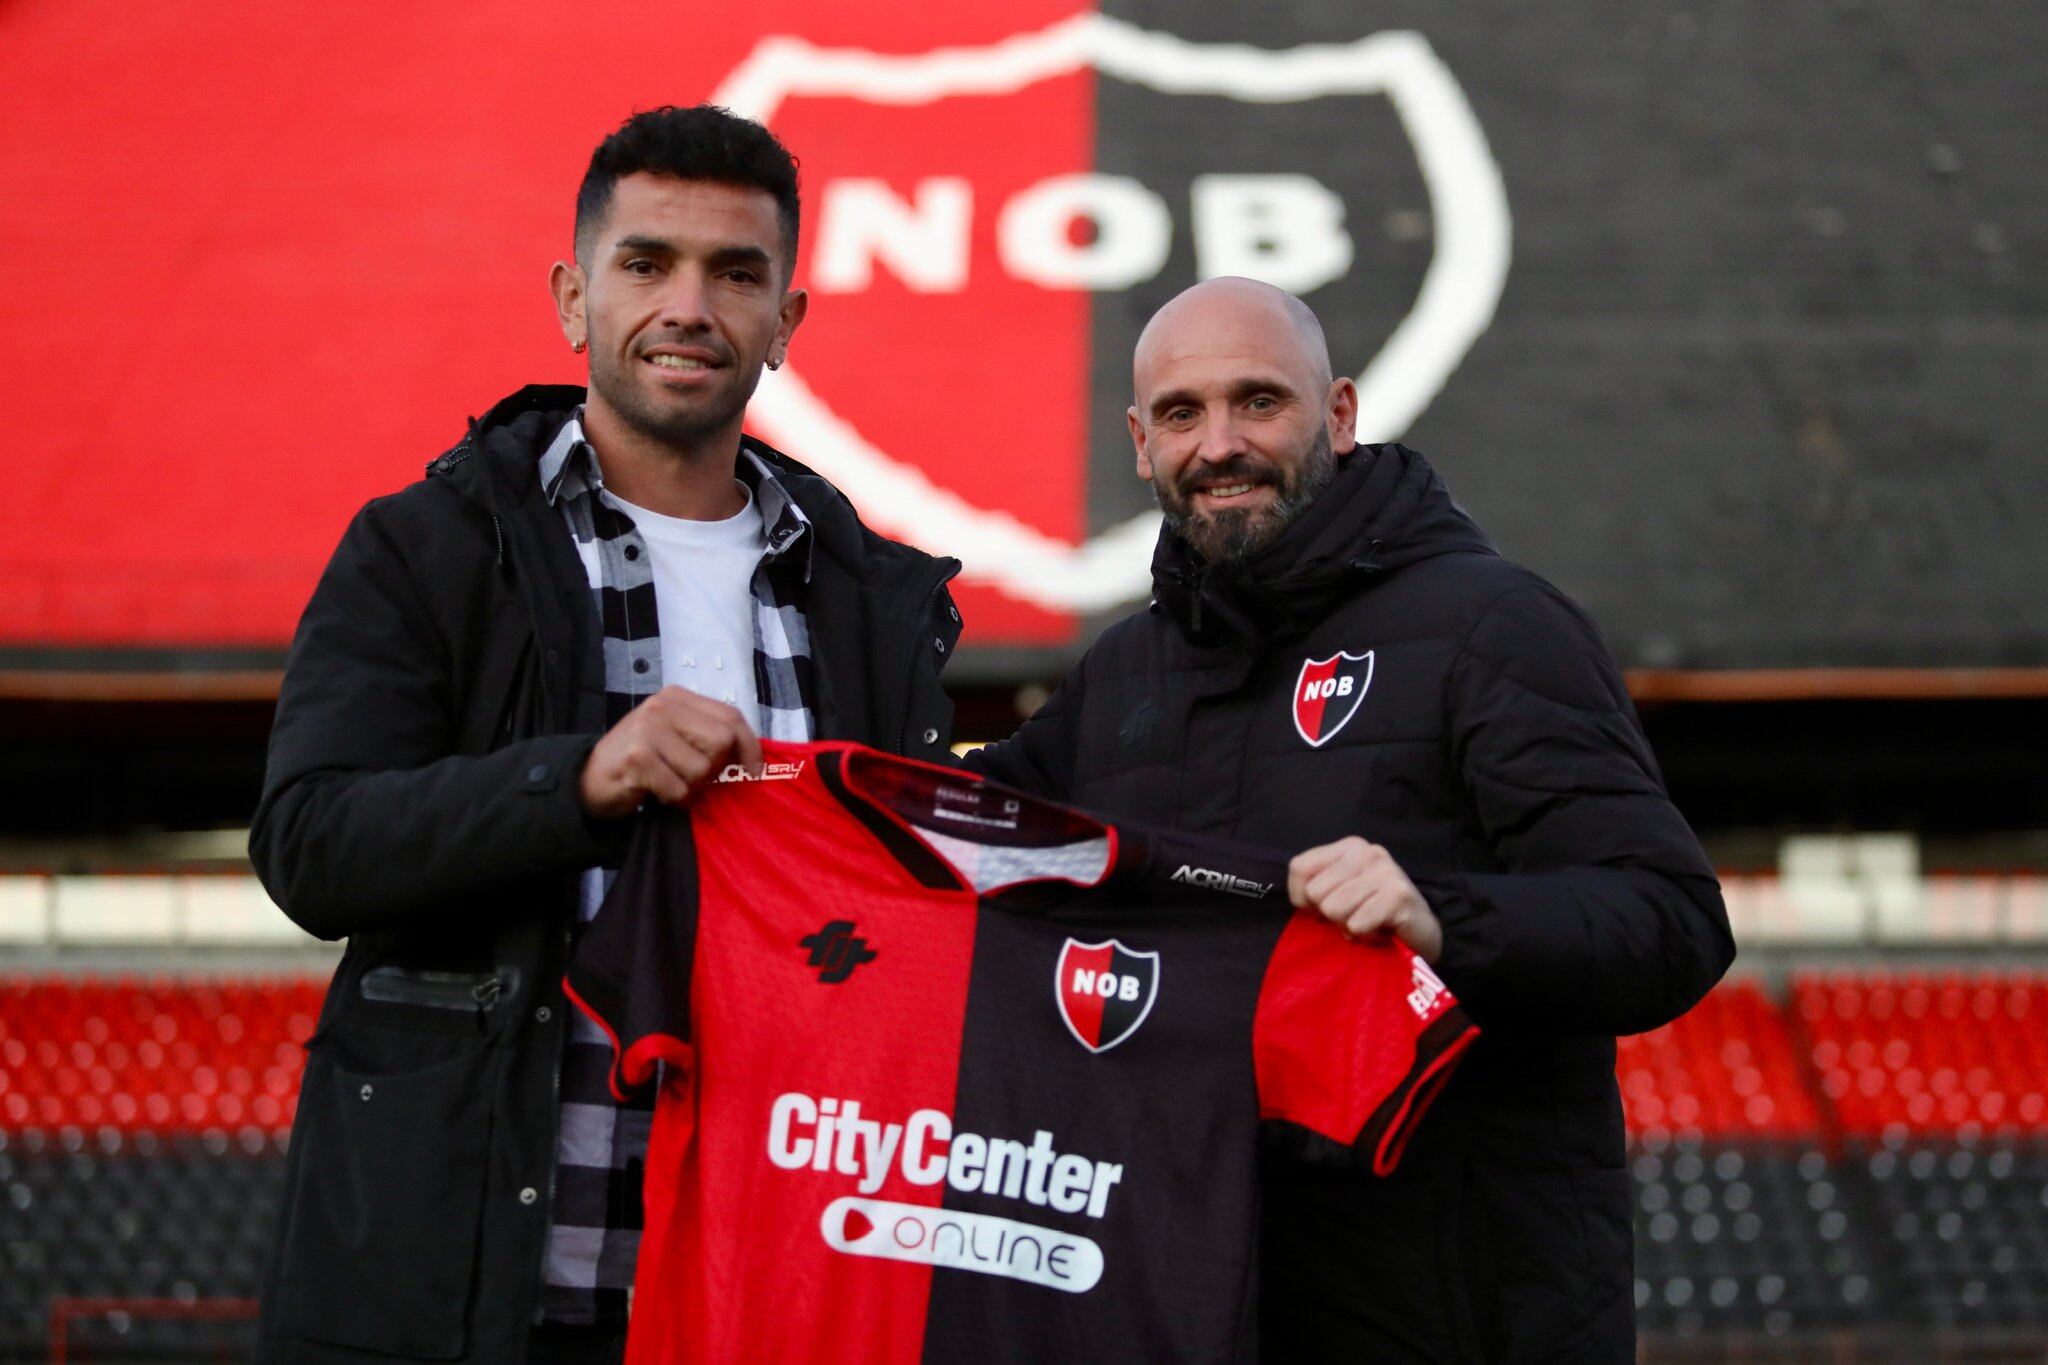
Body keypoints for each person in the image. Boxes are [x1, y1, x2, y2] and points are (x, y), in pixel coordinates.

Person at [249, 106, 961, 1365]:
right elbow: (311, 846)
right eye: (647, 265)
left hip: (772, 1290)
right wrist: (575, 778)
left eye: (735, 274)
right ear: (575, 301)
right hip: (475, 1293)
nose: (690, 305)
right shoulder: (426, 547)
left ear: (784, 326)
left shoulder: (873, 600)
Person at [966, 277, 1733, 1362]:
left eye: (1258, 402)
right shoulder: (1119, 677)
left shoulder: (1494, 624)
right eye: (1181, 414)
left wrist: (1442, 919)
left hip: (1464, 1323)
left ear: (1337, 415)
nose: (1219, 443)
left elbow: (1669, 923)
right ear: (1140, 443)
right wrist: (746, 769)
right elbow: (933, 833)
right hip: (1195, 1307)